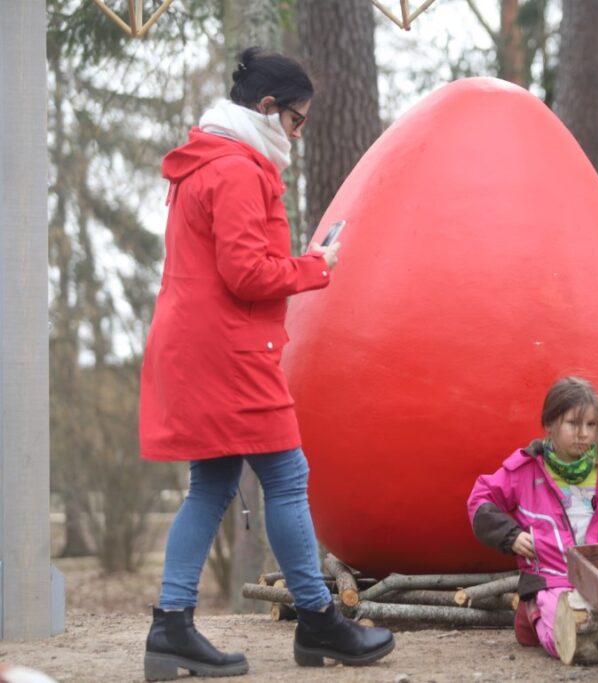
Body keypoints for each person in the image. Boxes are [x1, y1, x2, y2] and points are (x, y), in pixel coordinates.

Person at [138, 47, 394, 680]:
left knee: (214, 484)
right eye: (297, 121)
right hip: (230, 352)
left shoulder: (202, 163)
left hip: (198, 346)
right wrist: (317, 267)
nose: (298, 135)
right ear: (267, 108)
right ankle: (317, 620)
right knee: (286, 475)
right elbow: (248, 273)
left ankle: (171, 628)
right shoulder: (238, 169)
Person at [467, 377, 598, 658]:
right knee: (571, 639)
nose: (583, 434)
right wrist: (511, 536)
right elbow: (480, 500)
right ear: (550, 424)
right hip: (550, 578)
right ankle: (532, 613)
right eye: (573, 424)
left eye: (591, 425)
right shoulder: (526, 469)